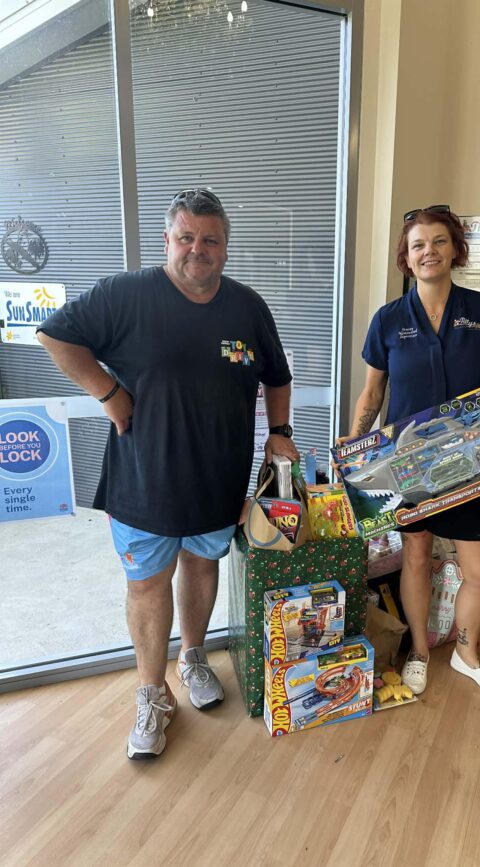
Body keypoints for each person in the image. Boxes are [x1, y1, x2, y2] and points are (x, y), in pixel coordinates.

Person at [37, 188, 298, 759]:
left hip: (218, 478)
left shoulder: (247, 306)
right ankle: (152, 694)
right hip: (143, 481)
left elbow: (277, 375)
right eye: (186, 238)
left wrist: (281, 431)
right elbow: (54, 335)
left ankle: (195, 657)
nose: (197, 250)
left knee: (201, 566)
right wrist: (106, 391)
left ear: (226, 248)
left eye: (210, 240)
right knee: (146, 585)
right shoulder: (125, 295)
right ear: (167, 240)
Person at [342, 205, 480, 698]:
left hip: (473, 461)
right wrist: (355, 451)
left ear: (455, 249)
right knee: (415, 556)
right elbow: (372, 395)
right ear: (406, 259)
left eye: (438, 241)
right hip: (411, 464)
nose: (428, 251)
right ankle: (417, 648)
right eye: (418, 245)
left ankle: (466, 651)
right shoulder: (389, 320)